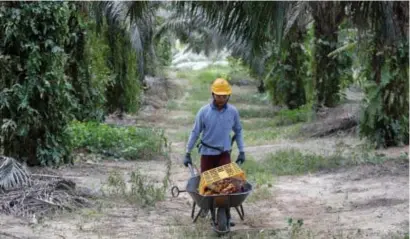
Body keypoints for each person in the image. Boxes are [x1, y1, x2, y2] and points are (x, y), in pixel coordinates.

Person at [183, 78, 246, 226]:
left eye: (224, 96)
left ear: (228, 96)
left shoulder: (232, 112)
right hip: (207, 155)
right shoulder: (204, 112)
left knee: (226, 185)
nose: (221, 99)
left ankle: (227, 216)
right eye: (218, 96)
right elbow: (195, 132)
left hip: (224, 155)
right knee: (209, 186)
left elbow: (238, 131)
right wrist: (187, 152)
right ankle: (211, 213)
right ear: (213, 94)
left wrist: (242, 150)